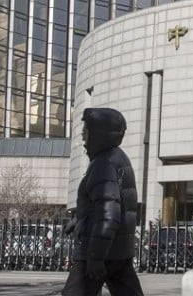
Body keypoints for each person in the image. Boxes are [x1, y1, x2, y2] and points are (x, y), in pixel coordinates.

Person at [62, 107, 144, 296]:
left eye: (86, 130)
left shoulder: (103, 164)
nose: (83, 136)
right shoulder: (117, 158)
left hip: (99, 250)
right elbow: (108, 204)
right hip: (118, 252)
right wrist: (80, 220)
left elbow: (109, 215)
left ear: (99, 134)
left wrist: (96, 258)